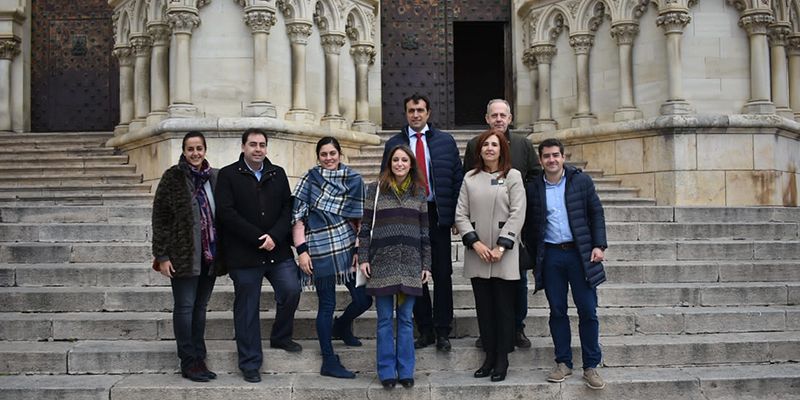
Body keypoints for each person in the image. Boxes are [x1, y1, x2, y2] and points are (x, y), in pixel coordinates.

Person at [215, 128, 302, 383]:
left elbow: (288, 207)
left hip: (277, 250)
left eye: (262, 144)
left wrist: (274, 236)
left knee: (291, 289)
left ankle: (281, 336)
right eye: (252, 144)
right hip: (244, 254)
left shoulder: (278, 173)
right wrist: (257, 238)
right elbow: (226, 212)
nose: (258, 149)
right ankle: (250, 362)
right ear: (243, 146)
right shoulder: (229, 175)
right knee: (247, 307)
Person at [523, 138, 608, 390]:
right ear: (540, 160)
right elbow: (529, 224)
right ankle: (563, 362)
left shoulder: (581, 181)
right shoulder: (533, 188)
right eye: (546, 156)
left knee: (587, 310)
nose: (551, 160)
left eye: (555, 155)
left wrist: (598, 245)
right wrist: (534, 252)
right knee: (557, 310)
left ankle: (591, 366)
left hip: (580, 255)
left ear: (563, 157)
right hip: (551, 256)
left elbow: (596, 213)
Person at [381, 93, 463, 352]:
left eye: (420, 110)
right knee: (415, 275)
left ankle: (443, 331)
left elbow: (456, 179)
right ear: (405, 113)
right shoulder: (394, 143)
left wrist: (456, 216)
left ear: (428, 113)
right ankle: (424, 329)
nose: (415, 114)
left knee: (442, 273)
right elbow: (386, 181)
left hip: (437, 214)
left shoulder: (445, 142)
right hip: (408, 216)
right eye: (411, 110)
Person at [292, 136, 372, 379]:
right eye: (324, 154)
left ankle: (342, 325)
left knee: (364, 300)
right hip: (320, 249)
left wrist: (360, 249)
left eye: (332, 153)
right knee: (326, 305)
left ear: (340, 154)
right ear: (318, 156)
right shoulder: (310, 179)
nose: (328, 158)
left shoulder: (354, 180)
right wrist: (302, 252)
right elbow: (298, 218)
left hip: (348, 247)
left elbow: (361, 220)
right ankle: (328, 359)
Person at [464, 99, 539, 349]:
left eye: (502, 115)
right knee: (486, 285)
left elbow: (536, 177)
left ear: (510, 118)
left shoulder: (523, 144)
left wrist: (519, 202)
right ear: (486, 118)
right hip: (483, 226)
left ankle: (517, 328)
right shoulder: (475, 144)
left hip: (517, 223)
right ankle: (489, 331)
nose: (498, 119)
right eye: (494, 115)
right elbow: (468, 179)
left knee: (517, 279)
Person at [358, 145, 432, 390]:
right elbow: (365, 227)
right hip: (381, 264)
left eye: (404, 160)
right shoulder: (375, 190)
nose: (400, 164)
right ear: (389, 164)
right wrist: (363, 258)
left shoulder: (419, 192)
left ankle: (406, 370)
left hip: (410, 265)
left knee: (406, 319)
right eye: (395, 160)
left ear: (411, 164)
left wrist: (426, 264)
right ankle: (387, 371)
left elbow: (424, 233)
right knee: (383, 321)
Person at [455, 130, 526, 383]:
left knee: (504, 309)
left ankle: (502, 359)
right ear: (479, 150)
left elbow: (518, 213)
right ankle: (488, 356)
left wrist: (501, 246)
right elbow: (460, 214)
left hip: (504, 254)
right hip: (478, 253)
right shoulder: (470, 178)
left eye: (494, 144)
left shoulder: (513, 176)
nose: (489, 149)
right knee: (484, 309)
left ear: (502, 149)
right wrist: (476, 244)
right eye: (485, 145)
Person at [151, 131, 219, 382]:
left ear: (205, 149)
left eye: (199, 148)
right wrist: (162, 255)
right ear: (183, 150)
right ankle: (188, 361)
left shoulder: (214, 177)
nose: (195, 153)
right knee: (185, 307)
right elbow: (160, 218)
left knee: (200, 308)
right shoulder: (172, 177)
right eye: (190, 149)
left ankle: (199, 358)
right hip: (182, 256)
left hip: (209, 256)